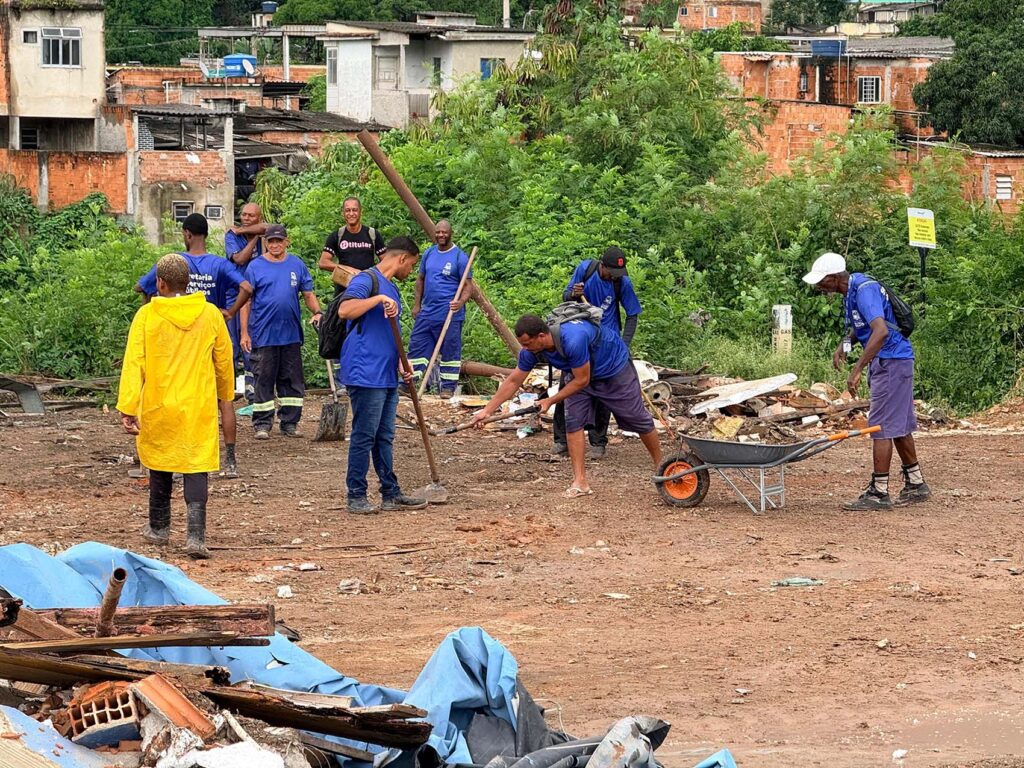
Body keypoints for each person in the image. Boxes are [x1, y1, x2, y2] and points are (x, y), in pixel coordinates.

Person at [118, 253, 234, 559]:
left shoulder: (146, 316)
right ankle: (195, 537)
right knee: (196, 465)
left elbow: (134, 364)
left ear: (159, 283)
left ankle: (159, 529)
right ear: (188, 282)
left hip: (159, 403)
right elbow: (224, 360)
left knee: (159, 462)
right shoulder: (209, 315)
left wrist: (128, 406)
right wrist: (225, 397)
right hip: (197, 405)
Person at [471, 313, 662, 498]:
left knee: (637, 419)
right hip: (579, 373)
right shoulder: (532, 350)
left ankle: (662, 467)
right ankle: (580, 482)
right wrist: (487, 410)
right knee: (573, 422)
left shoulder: (573, 340)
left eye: (528, 344)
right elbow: (513, 381)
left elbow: (582, 380)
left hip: (612, 368)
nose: (525, 349)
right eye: (523, 345)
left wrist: (550, 400)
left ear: (542, 336)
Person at [803, 251, 931, 510]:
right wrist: (844, 346)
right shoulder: (851, 293)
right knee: (899, 425)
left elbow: (881, 330)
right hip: (893, 361)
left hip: (891, 361)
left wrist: (858, 368)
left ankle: (879, 492)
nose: (818, 287)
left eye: (821, 281)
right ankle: (916, 484)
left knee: (881, 426)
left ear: (835, 277)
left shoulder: (864, 290)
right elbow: (859, 328)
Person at [135, 213, 251, 478]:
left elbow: (141, 287)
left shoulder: (174, 263)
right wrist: (230, 312)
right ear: (205, 235)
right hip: (213, 334)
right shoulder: (220, 264)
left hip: (182, 343)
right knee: (225, 398)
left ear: (187, 234)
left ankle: (173, 458)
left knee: (175, 397)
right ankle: (230, 460)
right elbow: (247, 287)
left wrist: (149, 311)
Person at [337, 237, 428, 514]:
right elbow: (345, 310)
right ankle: (356, 495)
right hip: (365, 372)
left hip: (387, 372)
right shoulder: (367, 281)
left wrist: (403, 362)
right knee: (364, 435)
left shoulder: (392, 289)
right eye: (411, 265)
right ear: (401, 258)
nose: (410, 271)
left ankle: (391, 493)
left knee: (385, 436)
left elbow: (389, 331)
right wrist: (377, 299)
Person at [554, 246, 643, 458]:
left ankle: (598, 441)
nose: (614, 276)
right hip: (579, 337)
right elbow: (566, 297)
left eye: (618, 273)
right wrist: (574, 294)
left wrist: (624, 344)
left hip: (607, 342)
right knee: (568, 386)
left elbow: (632, 315)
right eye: (611, 271)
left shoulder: (622, 282)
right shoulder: (585, 269)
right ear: (602, 266)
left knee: (604, 392)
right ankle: (561, 440)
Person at [240, 224, 322, 439]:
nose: (275, 245)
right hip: (263, 333)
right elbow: (245, 302)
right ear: (265, 243)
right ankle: (262, 424)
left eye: (279, 241)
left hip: (291, 334)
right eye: (271, 241)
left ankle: (289, 422)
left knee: (291, 379)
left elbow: (308, 293)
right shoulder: (255, 267)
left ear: (286, 241)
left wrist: (318, 312)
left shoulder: (297, 265)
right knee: (263, 378)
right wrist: (244, 333)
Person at [409, 220, 473, 397]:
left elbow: (468, 286)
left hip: (450, 314)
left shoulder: (460, 257)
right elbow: (420, 280)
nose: (441, 235)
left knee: (450, 351)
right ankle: (410, 383)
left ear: (451, 233)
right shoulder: (429, 253)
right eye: (438, 232)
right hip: (427, 312)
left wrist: (460, 302)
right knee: (417, 346)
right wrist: (417, 305)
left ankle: (447, 387)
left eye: (444, 232)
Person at [224, 202, 269, 406]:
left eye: (251, 216)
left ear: (258, 218)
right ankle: (229, 392)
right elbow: (240, 259)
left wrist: (250, 232)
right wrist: (252, 239)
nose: (245, 218)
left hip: (258, 297)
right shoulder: (232, 237)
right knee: (233, 343)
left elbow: (268, 228)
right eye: (243, 215)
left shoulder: (259, 231)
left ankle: (253, 392)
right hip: (235, 295)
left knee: (253, 343)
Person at [318, 196, 386, 292]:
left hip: (368, 288)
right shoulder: (337, 235)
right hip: (344, 289)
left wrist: (373, 275)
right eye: (347, 210)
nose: (351, 214)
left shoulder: (372, 234)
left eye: (354, 210)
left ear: (360, 212)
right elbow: (323, 263)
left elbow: (386, 262)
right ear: (343, 213)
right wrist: (348, 269)